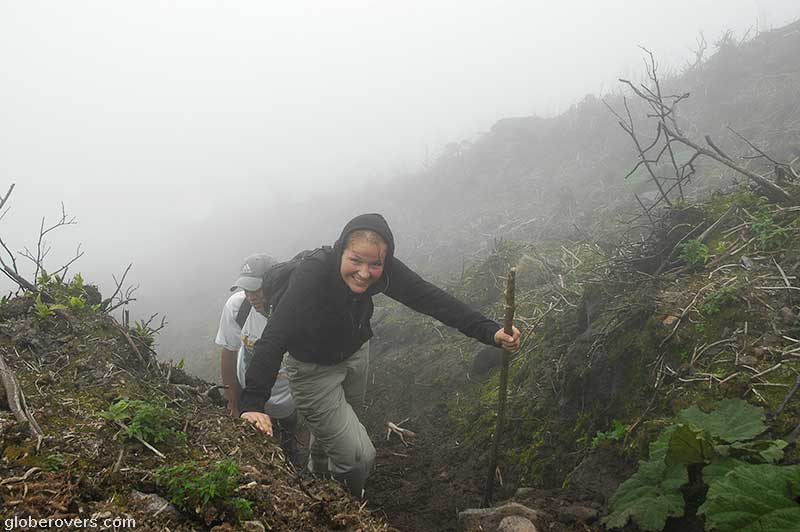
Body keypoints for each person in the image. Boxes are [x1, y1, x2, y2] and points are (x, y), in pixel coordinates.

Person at [239, 214, 520, 497]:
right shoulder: (312, 275)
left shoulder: (384, 270)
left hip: (355, 354)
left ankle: (317, 479)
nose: (365, 272)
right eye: (356, 261)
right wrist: (253, 401)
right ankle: (340, 505)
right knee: (357, 458)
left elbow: (431, 299)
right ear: (341, 251)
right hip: (312, 370)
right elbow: (275, 336)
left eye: (375, 264)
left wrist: (489, 331)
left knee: (332, 432)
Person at [215, 253, 300, 464]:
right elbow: (229, 353)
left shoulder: (296, 308)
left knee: (289, 446)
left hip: (290, 399)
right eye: (246, 289)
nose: (251, 296)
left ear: (274, 283)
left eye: (257, 289)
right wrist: (233, 404)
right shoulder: (237, 308)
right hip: (251, 395)